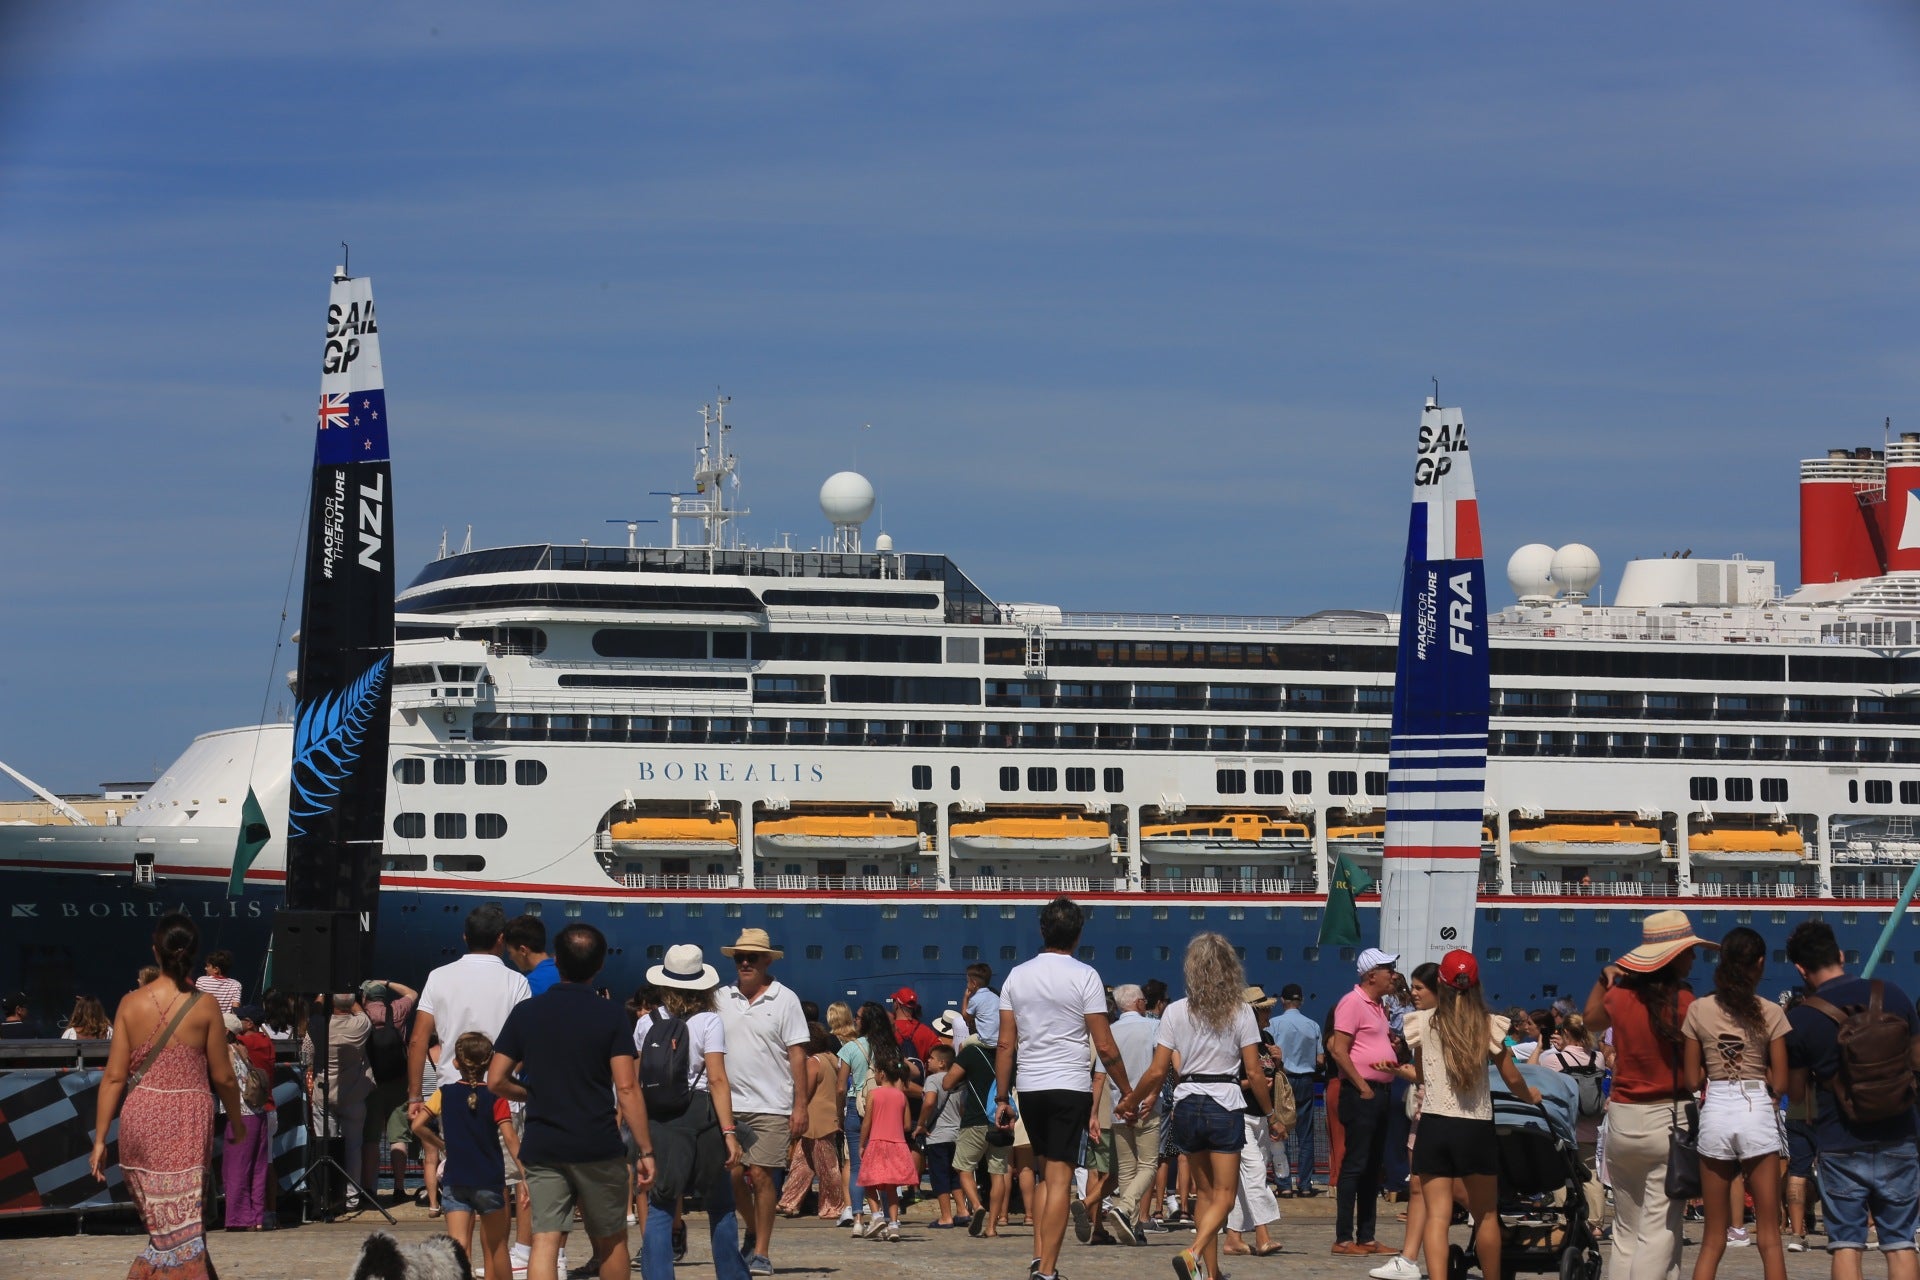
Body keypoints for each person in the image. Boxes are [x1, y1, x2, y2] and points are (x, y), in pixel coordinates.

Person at [490, 923, 655, 1280]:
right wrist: (645, 1150)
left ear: (557, 961)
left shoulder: (527, 1012)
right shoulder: (610, 1014)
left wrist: (530, 1093)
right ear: (598, 967)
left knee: (546, 1239)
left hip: (545, 1141)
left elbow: (496, 1079)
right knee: (611, 1239)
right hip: (597, 1141)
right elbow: (627, 1088)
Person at [1117, 932, 1284, 1280]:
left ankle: (1211, 1273)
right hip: (1224, 1102)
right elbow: (1254, 1071)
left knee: (1204, 1193)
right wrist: (1271, 1114)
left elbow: (1157, 1070)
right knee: (1224, 1196)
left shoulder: (1176, 1011)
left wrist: (1130, 1100)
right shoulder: (1240, 1012)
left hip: (1187, 1103)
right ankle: (1192, 1252)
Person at [90, 912, 246, 1279]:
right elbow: (223, 1075)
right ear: (193, 953)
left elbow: (114, 1078)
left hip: (140, 1116)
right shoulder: (205, 1005)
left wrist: (99, 1139)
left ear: (154, 951)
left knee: (165, 1229)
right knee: (182, 1227)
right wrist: (237, 1120)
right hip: (187, 1118)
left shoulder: (130, 1003)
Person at [996, 897, 1134, 1280]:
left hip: (1030, 1087)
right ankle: (1048, 1271)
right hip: (1070, 1085)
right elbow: (1104, 1045)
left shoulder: (1016, 977)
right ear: (1078, 934)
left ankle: (1040, 1256)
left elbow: (1006, 1044)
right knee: (1060, 1179)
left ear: (1042, 931)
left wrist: (1003, 1097)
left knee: (1043, 1174)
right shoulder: (1085, 976)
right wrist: (1126, 1090)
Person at [1784, 919, 1920, 1272]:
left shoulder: (1801, 1019)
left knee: (1846, 1244)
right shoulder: (1893, 994)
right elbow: (1918, 1060)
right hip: (1898, 1135)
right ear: (1841, 955)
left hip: (1839, 1139)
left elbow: (1796, 1093)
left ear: (1801, 969)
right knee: (1901, 1242)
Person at [1584, 909, 1712, 1280]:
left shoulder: (1620, 997)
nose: (1693, 957)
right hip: (1667, 1119)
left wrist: (1604, 977)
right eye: (1689, 951)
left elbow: (1590, 1019)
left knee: (1626, 1228)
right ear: (1674, 957)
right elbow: (1695, 1075)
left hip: (1622, 1118)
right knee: (1660, 1229)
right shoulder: (1688, 1003)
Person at [1405, 951, 1539, 1280]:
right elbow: (1512, 1077)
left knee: (1437, 1216)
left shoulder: (1422, 1023)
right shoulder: (1491, 1025)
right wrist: (1530, 1096)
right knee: (1487, 1214)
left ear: (1441, 983)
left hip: (1435, 1124)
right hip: (1476, 1126)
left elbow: (1422, 1074)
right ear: (1476, 983)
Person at [634, 942, 749, 1280]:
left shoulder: (646, 1023)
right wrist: (729, 1133)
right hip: (702, 1118)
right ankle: (732, 1275)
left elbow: (638, 1083)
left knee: (660, 1207)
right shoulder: (708, 1022)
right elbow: (716, 1079)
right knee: (722, 1206)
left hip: (661, 1120)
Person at [1682, 927, 1789, 1280]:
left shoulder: (1699, 1009)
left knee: (1714, 1237)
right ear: (1760, 964)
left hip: (1716, 1110)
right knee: (1770, 1237)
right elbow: (1781, 1083)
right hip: (1756, 1107)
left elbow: (1693, 1081)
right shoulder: (1771, 1012)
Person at [716, 928, 808, 1277]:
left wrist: (800, 1106)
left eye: (752, 957)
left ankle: (761, 1251)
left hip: (771, 1104)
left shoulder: (786, 999)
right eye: (740, 957)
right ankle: (752, 1227)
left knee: (762, 1175)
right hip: (728, 1104)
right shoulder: (720, 997)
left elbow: (797, 1055)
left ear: (767, 960)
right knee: (732, 1174)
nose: (744, 962)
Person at [415, 1031, 523, 1280]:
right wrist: (525, 1174)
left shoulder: (444, 1093)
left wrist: (442, 1144)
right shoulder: (496, 1098)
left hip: (456, 1177)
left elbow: (418, 1125)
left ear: (456, 1063)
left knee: (458, 1248)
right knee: (497, 1246)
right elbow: (510, 1138)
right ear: (490, 1062)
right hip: (489, 1179)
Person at [1328, 947, 1401, 1256]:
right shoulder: (1352, 1003)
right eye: (1389, 969)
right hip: (1363, 1093)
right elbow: (1338, 1048)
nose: (1394, 975)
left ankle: (1367, 1236)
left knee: (1372, 1166)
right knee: (1355, 1164)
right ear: (1373, 975)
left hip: (1379, 1092)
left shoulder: (1378, 1006)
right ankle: (1343, 1239)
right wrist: (1362, 1087)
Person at [1371, 963, 1440, 1280]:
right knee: (1417, 1186)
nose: (1412, 993)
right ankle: (1409, 1259)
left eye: (1419, 988)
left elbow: (1429, 1075)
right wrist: (1399, 1068)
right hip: (1427, 1109)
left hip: (1439, 1114)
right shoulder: (1422, 1023)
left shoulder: (1423, 1024)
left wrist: (1397, 1070)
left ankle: (1418, 1262)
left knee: (1451, 1192)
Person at [1223, 984, 1285, 1258]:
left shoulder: (1266, 1038)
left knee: (1243, 1179)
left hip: (1260, 1116)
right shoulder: (1237, 1042)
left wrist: (1278, 1062)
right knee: (1256, 1173)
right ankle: (1262, 1234)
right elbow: (1229, 1081)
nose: (1270, 1012)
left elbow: (1272, 1075)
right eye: (1265, 1009)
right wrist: (1255, 1082)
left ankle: (1233, 1238)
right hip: (1241, 1114)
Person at [1103, 982, 1161, 1244]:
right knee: (1149, 1164)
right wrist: (1151, 1095)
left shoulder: (1110, 1032)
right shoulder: (1152, 1027)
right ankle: (1125, 1209)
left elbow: (1101, 1073)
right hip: (1147, 1106)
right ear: (1139, 1003)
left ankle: (1133, 1228)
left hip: (1119, 1106)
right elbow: (1161, 1065)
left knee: (1126, 1169)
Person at [1539, 1012, 1607, 1235]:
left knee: (1560, 1172)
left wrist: (1544, 1048)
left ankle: (1563, 1219)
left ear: (1566, 1032)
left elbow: (1533, 1072)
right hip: (1589, 1125)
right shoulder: (1597, 1058)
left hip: (1563, 1126)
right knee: (1590, 1173)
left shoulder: (1551, 1059)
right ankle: (1595, 1224)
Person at [941, 1012, 1006, 1238]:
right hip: (1002, 1120)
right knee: (997, 1174)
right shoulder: (1006, 1052)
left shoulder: (970, 1052)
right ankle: (992, 1228)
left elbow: (947, 1082)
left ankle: (977, 1206)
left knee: (963, 1168)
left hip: (975, 1120)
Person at [779, 1023, 850, 1221]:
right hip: (825, 1118)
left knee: (828, 1168)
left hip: (816, 1121)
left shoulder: (813, 1062)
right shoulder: (831, 1058)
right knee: (801, 1165)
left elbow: (805, 1092)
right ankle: (789, 1201)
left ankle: (833, 1205)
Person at [1269, 982, 1323, 1198]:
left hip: (1284, 1079)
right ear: (1301, 1001)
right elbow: (1320, 1059)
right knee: (1306, 1134)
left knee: (1280, 1131)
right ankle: (1306, 1184)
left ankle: (1284, 1184)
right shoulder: (1313, 1025)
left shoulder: (1273, 1024)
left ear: (1283, 1000)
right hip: (1306, 1080)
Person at [856, 1055, 917, 1241]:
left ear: (881, 1074)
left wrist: (861, 1143)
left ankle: (876, 1217)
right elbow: (907, 1125)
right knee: (891, 1188)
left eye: (875, 1072)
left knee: (868, 1182)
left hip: (877, 1142)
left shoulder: (874, 1094)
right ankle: (894, 1225)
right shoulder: (901, 1096)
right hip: (897, 1144)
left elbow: (867, 1122)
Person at [221, 1012, 271, 1230]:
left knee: (236, 1168)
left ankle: (240, 1218)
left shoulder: (225, 1052)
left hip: (240, 1114)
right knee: (258, 1168)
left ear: (225, 1032)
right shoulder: (243, 1049)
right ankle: (257, 1217)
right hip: (258, 1113)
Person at [913, 1042, 969, 1228]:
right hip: (956, 1133)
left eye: (931, 1058)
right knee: (954, 1174)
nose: (927, 1061)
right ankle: (962, 1210)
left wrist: (921, 1124)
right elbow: (962, 1108)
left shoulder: (933, 1079)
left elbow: (929, 1102)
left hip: (938, 1135)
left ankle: (946, 1216)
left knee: (939, 1176)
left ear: (942, 1063)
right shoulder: (960, 1081)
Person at [506, 914, 560, 995]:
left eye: (510, 952)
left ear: (523, 950)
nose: (510, 958)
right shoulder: (564, 973)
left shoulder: (530, 986)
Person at [891, 988, 939, 1063]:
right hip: (919, 1073)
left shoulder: (888, 1029)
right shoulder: (926, 1031)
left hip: (895, 1074)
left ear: (896, 1004)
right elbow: (941, 1053)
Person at [963, 962, 1000, 1048]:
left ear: (974, 984)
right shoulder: (996, 997)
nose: (967, 985)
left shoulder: (975, 999)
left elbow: (966, 1017)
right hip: (999, 1039)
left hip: (986, 1040)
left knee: (962, 1045)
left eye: (968, 982)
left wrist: (966, 998)